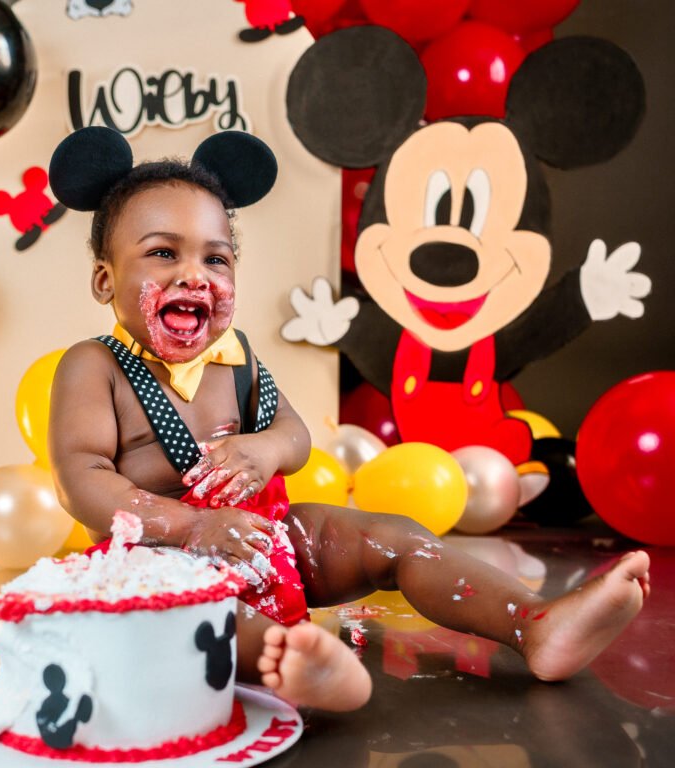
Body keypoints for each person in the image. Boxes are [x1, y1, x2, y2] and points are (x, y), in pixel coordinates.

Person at [45, 126, 650, 714]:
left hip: (265, 533)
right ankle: (290, 662)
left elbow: (294, 436)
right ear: (105, 279)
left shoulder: (237, 360)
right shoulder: (96, 366)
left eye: (216, 258)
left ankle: (531, 623)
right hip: (158, 556)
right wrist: (190, 526)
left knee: (394, 537)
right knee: (189, 613)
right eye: (162, 253)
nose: (194, 274)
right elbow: (82, 478)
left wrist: (265, 450)